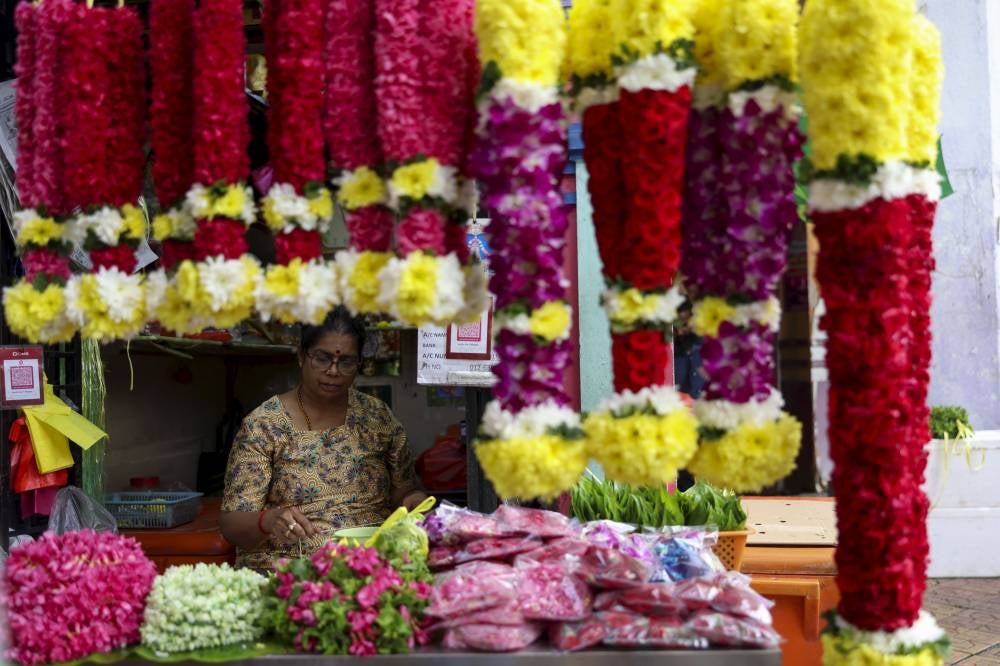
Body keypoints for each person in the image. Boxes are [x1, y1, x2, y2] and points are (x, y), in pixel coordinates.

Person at [219, 307, 426, 570]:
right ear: (301, 356)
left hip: (372, 563)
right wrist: (269, 520)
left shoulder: (377, 417)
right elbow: (232, 524)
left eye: (346, 362)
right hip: (291, 571)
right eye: (322, 358)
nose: (333, 371)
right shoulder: (264, 425)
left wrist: (413, 501)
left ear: (359, 363)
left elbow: (402, 492)